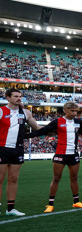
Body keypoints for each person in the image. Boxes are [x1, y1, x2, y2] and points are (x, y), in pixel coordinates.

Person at [24, 102, 82, 213]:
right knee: (56, 178)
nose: (75, 113)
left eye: (76, 111)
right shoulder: (57, 122)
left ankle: (76, 201)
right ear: (66, 110)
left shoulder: (78, 122)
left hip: (73, 154)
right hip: (60, 154)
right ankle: (50, 204)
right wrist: (25, 136)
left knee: (74, 178)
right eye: (72, 111)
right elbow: (42, 131)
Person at [0, 88, 42, 216]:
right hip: (2, 148)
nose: (19, 98)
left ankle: (10, 208)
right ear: (8, 97)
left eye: (20, 96)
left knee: (13, 179)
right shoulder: (1, 111)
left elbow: (37, 128)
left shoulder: (25, 112)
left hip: (17, 149)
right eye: (15, 96)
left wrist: (55, 128)